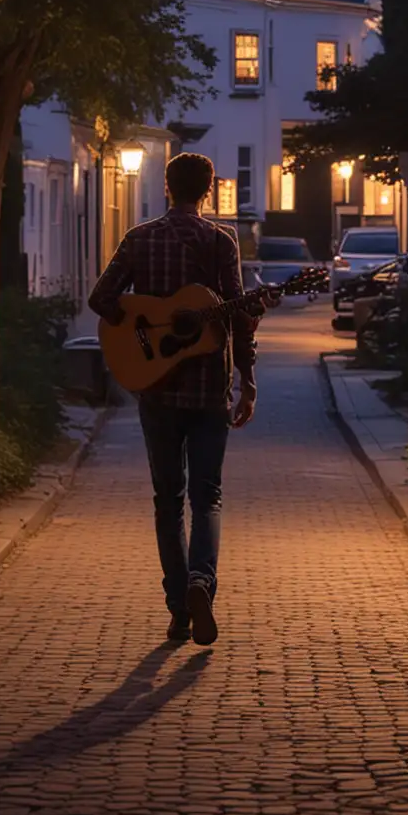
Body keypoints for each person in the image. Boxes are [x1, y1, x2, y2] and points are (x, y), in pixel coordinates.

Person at [88, 152, 275, 645]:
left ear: (166, 187)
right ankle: (201, 583)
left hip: (157, 392)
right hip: (210, 389)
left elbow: (102, 301)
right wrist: (248, 376)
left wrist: (141, 329)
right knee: (207, 496)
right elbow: (236, 317)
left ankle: (178, 610)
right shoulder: (220, 241)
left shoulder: (139, 238)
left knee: (167, 501)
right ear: (208, 191)